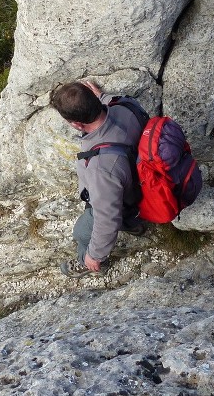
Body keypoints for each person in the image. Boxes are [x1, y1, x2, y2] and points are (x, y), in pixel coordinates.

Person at [49, 80, 147, 277]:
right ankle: (135, 226)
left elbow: (107, 219)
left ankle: (89, 263)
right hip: (138, 176)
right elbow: (114, 105)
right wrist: (103, 97)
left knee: (81, 233)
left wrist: (95, 255)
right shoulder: (127, 105)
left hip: (129, 201)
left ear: (77, 124)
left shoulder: (101, 167)